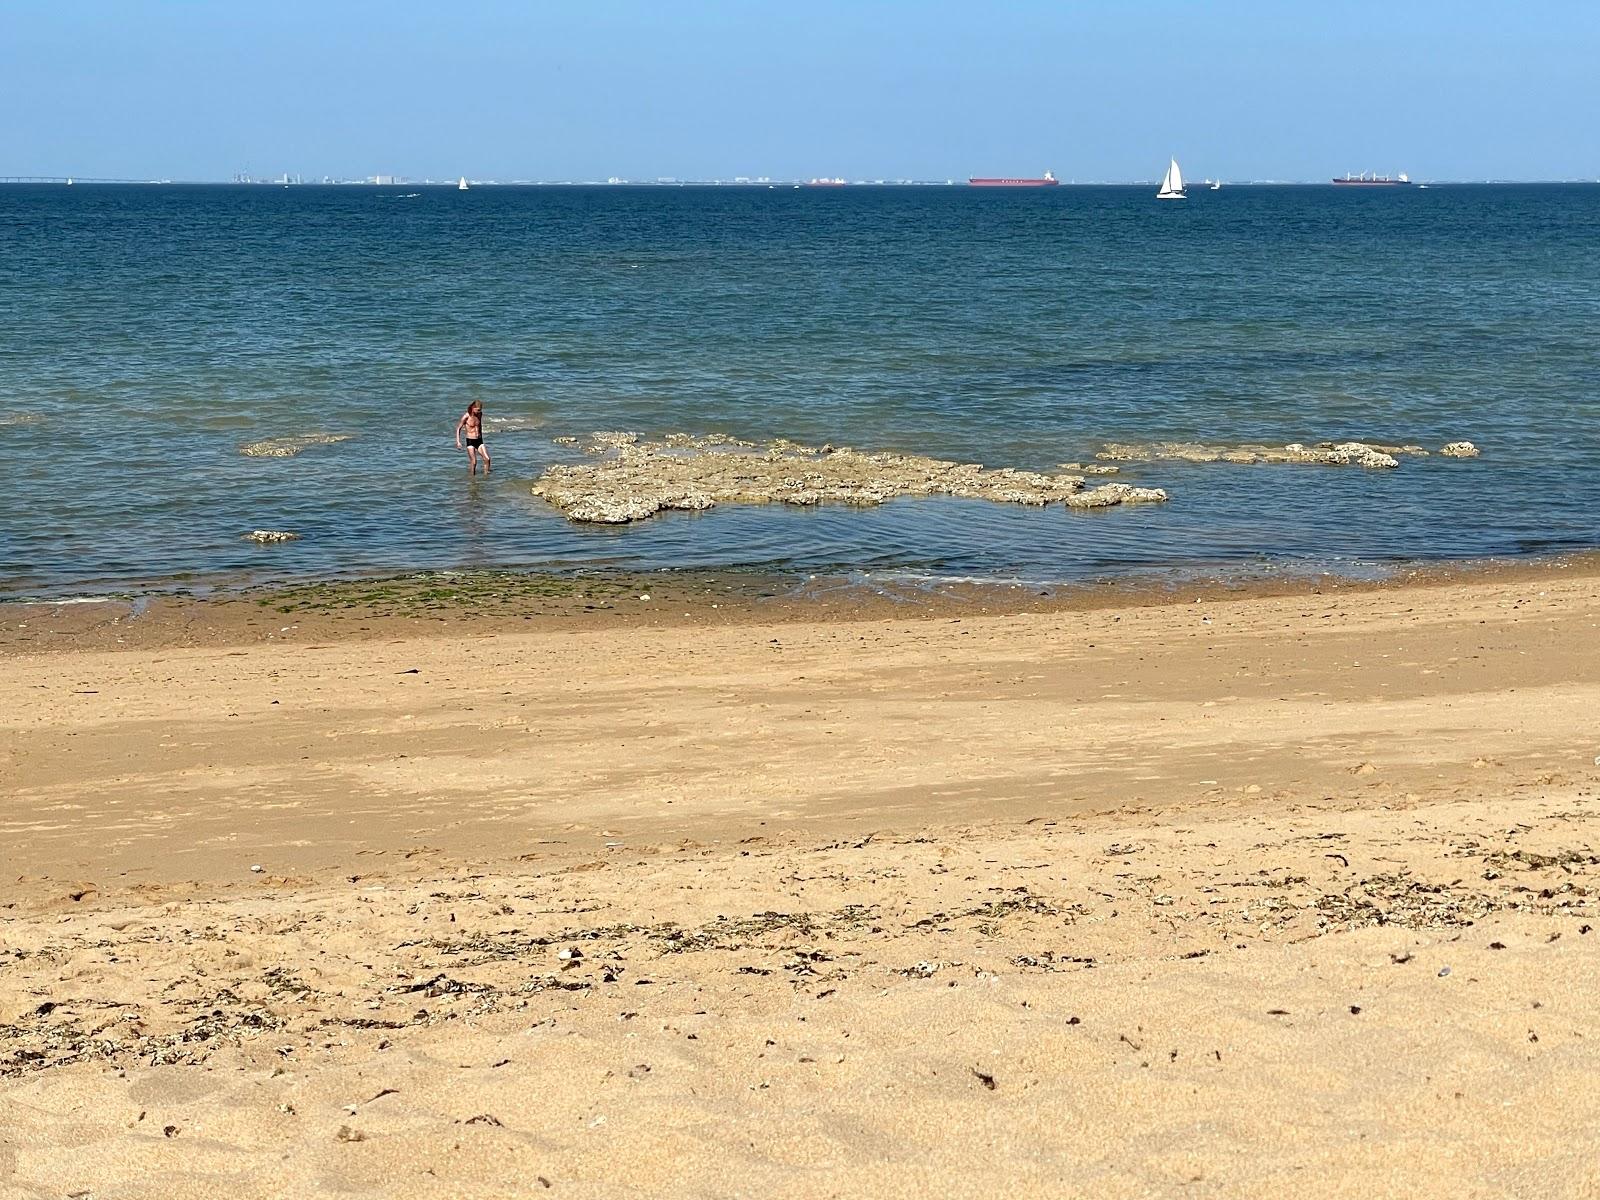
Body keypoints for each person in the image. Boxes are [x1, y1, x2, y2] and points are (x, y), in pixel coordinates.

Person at [455, 400, 491, 475]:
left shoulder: (480, 414)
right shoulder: (466, 416)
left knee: (487, 459)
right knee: (474, 462)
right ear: (473, 408)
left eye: (480, 410)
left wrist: (481, 435)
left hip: (479, 440)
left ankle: (486, 477)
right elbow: (459, 428)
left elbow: (479, 425)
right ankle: (472, 479)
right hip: (470, 441)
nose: (479, 411)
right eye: (477, 410)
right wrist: (458, 442)